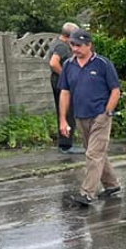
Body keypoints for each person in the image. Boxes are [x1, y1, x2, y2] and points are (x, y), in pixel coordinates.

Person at [57, 29, 122, 206]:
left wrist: (108, 111)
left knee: (93, 154)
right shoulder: (69, 65)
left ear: (89, 45)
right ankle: (112, 185)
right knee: (97, 154)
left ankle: (87, 194)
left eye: (78, 45)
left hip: (100, 115)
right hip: (80, 116)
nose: (75, 48)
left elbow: (116, 91)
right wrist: (63, 119)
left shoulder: (102, 64)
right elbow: (64, 92)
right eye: (72, 45)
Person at [48, 22, 84, 154]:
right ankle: (65, 145)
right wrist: (66, 76)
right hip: (62, 84)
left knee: (66, 112)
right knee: (67, 112)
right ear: (70, 36)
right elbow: (53, 63)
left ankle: (66, 143)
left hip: (59, 82)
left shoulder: (58, 43)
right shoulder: (61, 47)